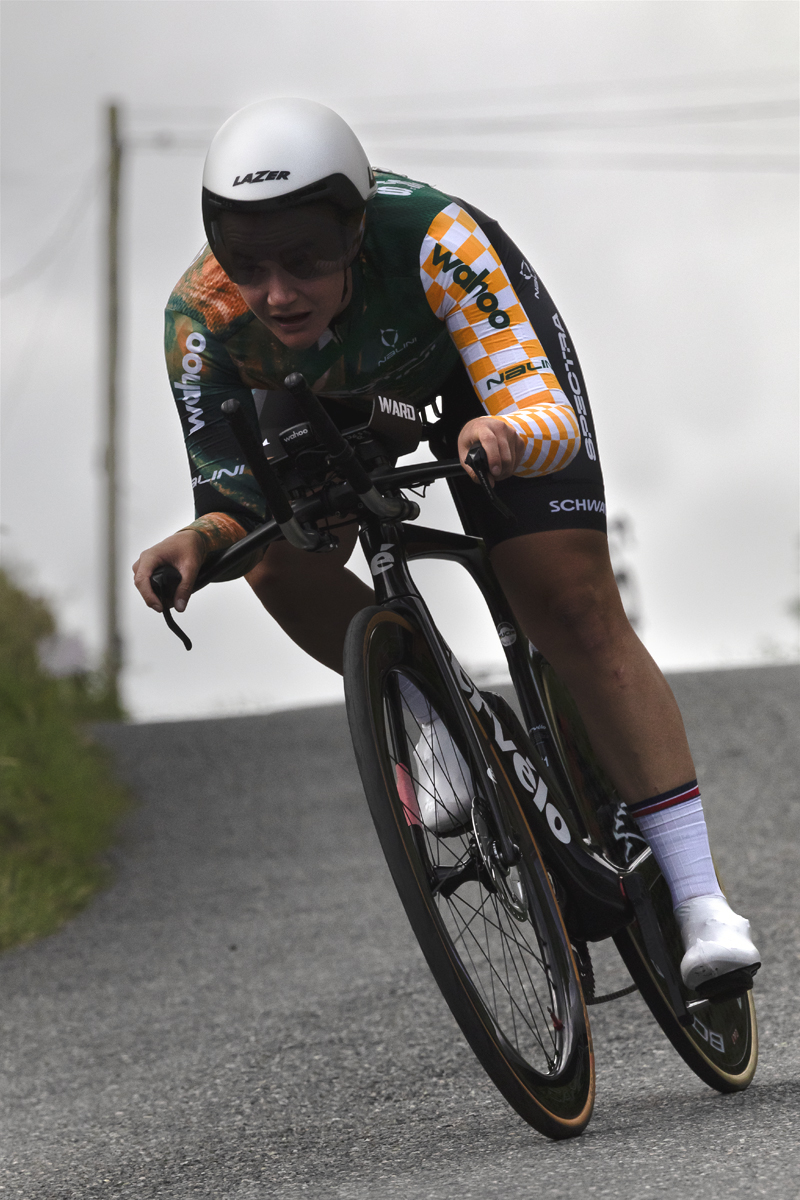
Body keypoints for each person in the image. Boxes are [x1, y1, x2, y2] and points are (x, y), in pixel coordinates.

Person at [133, 98, 759, 992]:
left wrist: (505, 436)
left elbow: (548, 420)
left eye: (305, 261)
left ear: (353, 233)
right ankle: (429, 713)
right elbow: (232, 499)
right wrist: (197, 541)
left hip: (477, 372)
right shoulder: (202, 315)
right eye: (249, 264)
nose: (275, 293)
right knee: (274, 555)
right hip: (330, 398)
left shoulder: (436, 238)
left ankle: (701, 900)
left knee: (568, 602)